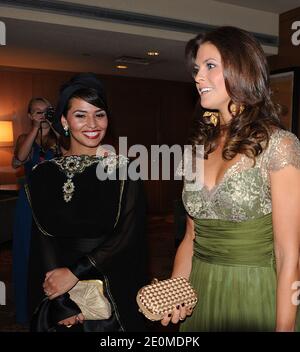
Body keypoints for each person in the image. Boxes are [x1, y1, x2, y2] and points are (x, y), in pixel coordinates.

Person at [161, 26, 300, 331]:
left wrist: (285, 327)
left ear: (242, 69)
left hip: (253, 292)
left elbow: (289, 253)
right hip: (201, 293)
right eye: (197, 69)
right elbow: (190, 237)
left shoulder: (279, 145)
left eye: (210, 66)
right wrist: (174, 291)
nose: (198, 77)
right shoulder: (196, 151)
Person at [25, 73, 148, 332]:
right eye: (80, 115)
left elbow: (127, 235)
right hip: (59, 291)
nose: (92, 123)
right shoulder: (43, 173)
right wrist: (60, 299)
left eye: (99, 114)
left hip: (111, 288)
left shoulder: (125, 170)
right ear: (64, 120)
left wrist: (74, 273)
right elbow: (43, 237)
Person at [12, 97, 61, 325]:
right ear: (30, 115)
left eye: (46, 111)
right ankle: (28, 307)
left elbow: (71, 153)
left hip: (55, 203)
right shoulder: (25, 138)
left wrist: (54, 127)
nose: (42, 115)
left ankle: (57, 306)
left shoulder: (57, 139)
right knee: (28, 251)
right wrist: (35, 129)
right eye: (37, 112)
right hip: (30, 202)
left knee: (54, 253)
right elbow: (19, 159)